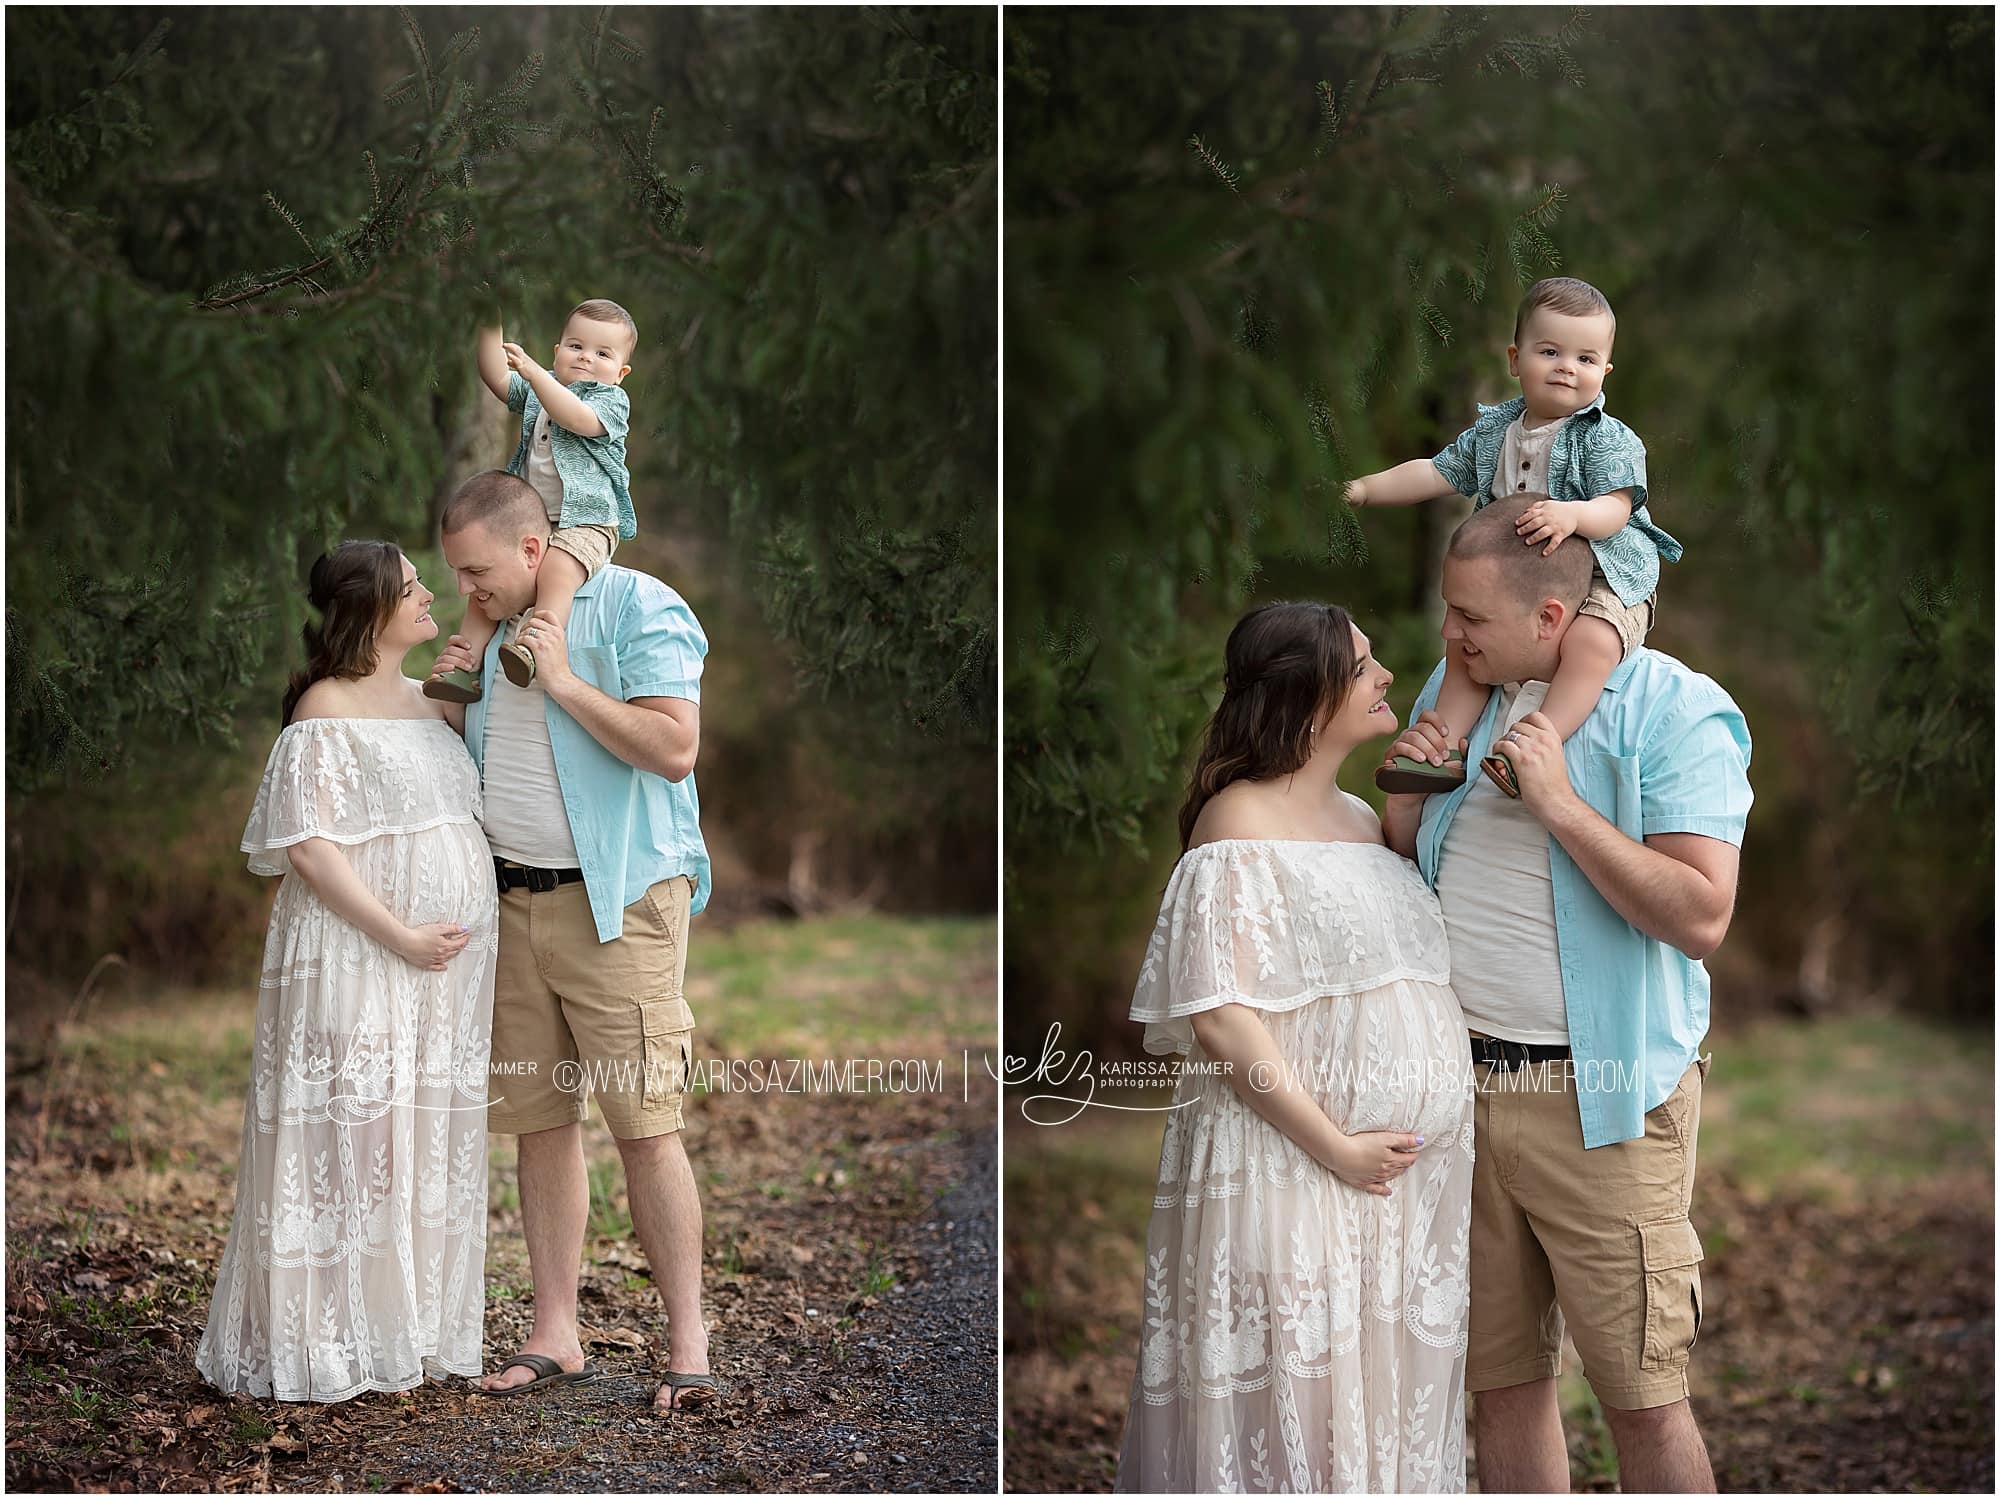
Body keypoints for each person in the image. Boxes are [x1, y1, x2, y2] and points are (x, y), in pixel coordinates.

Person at [1380, 492, 1752, 1493]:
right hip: (1457, 1098)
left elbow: (1697, 913)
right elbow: (1408, 857)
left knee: (1641, 1395)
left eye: (1470, 617)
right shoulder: (1457, 689)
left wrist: (1556, 803)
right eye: (1446, 613)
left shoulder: (1676, 709)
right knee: (1498, 1386)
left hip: (1602, 1102)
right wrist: (1400, 799)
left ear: (1551, 619)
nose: (1448, 636)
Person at [1115, 601, 1474, 1493]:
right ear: (1308, 696)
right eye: (1362, 664)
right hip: (1290, 1165)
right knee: (1299, 1416)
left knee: (1373, 1409)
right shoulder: (1235, 824)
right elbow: (1223, 1020)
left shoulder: (1361, 819)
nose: (1387, 672)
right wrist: (1339, 1146)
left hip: (1388, 1195)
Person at [428, 470, 719, 1412]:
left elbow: (674, 747)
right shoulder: (481, 635)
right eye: (454, 576)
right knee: (540, 1125)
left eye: (477, 572)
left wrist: (558, 680)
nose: (466, 591)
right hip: (509, 908)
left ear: (530, 549)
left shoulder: (636, 605)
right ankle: (558, 1330)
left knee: (645, 1124)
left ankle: (688, 1338)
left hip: (620, 904)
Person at [196, 541, 495, 1402]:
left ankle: (397, 1329)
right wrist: (400, 933)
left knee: (411, 1142)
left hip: (438, 975)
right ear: (371, 608)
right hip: (353, 949)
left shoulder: (427, 700)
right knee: (352, 1134)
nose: (431, 591)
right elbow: (310, 850)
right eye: (414, 586)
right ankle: (323, 1340)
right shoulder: (323, 708)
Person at [1347, 276, 1682, 798]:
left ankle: (1531, 746)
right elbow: (1436, 472)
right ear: (1514, 359)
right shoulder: (1495, 433)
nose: (1568, 367)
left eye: (1586, 359)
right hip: (1514, 582)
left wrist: (1573, 516)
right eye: (1549, 351)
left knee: (1593, 642)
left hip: (1605, 577)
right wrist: (1367, 487)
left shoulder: (1606, 437)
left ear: (1605, 372)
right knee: (1465, 642)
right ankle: (1441, 750)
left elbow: (1616, 508)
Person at [426, 299, 640, 702]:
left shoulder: (609, 402)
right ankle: (461, 668)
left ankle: (534, 647)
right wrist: (489, 320)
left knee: (557, 570)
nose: (585, 358)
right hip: (532, 523)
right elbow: (496, 377)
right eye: (576, 346)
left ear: (621, 373)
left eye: (602, 353)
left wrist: (536, 375)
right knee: (482, 589)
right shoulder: (541, 387)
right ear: (557, 351)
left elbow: (574, 417)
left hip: (587, 522)